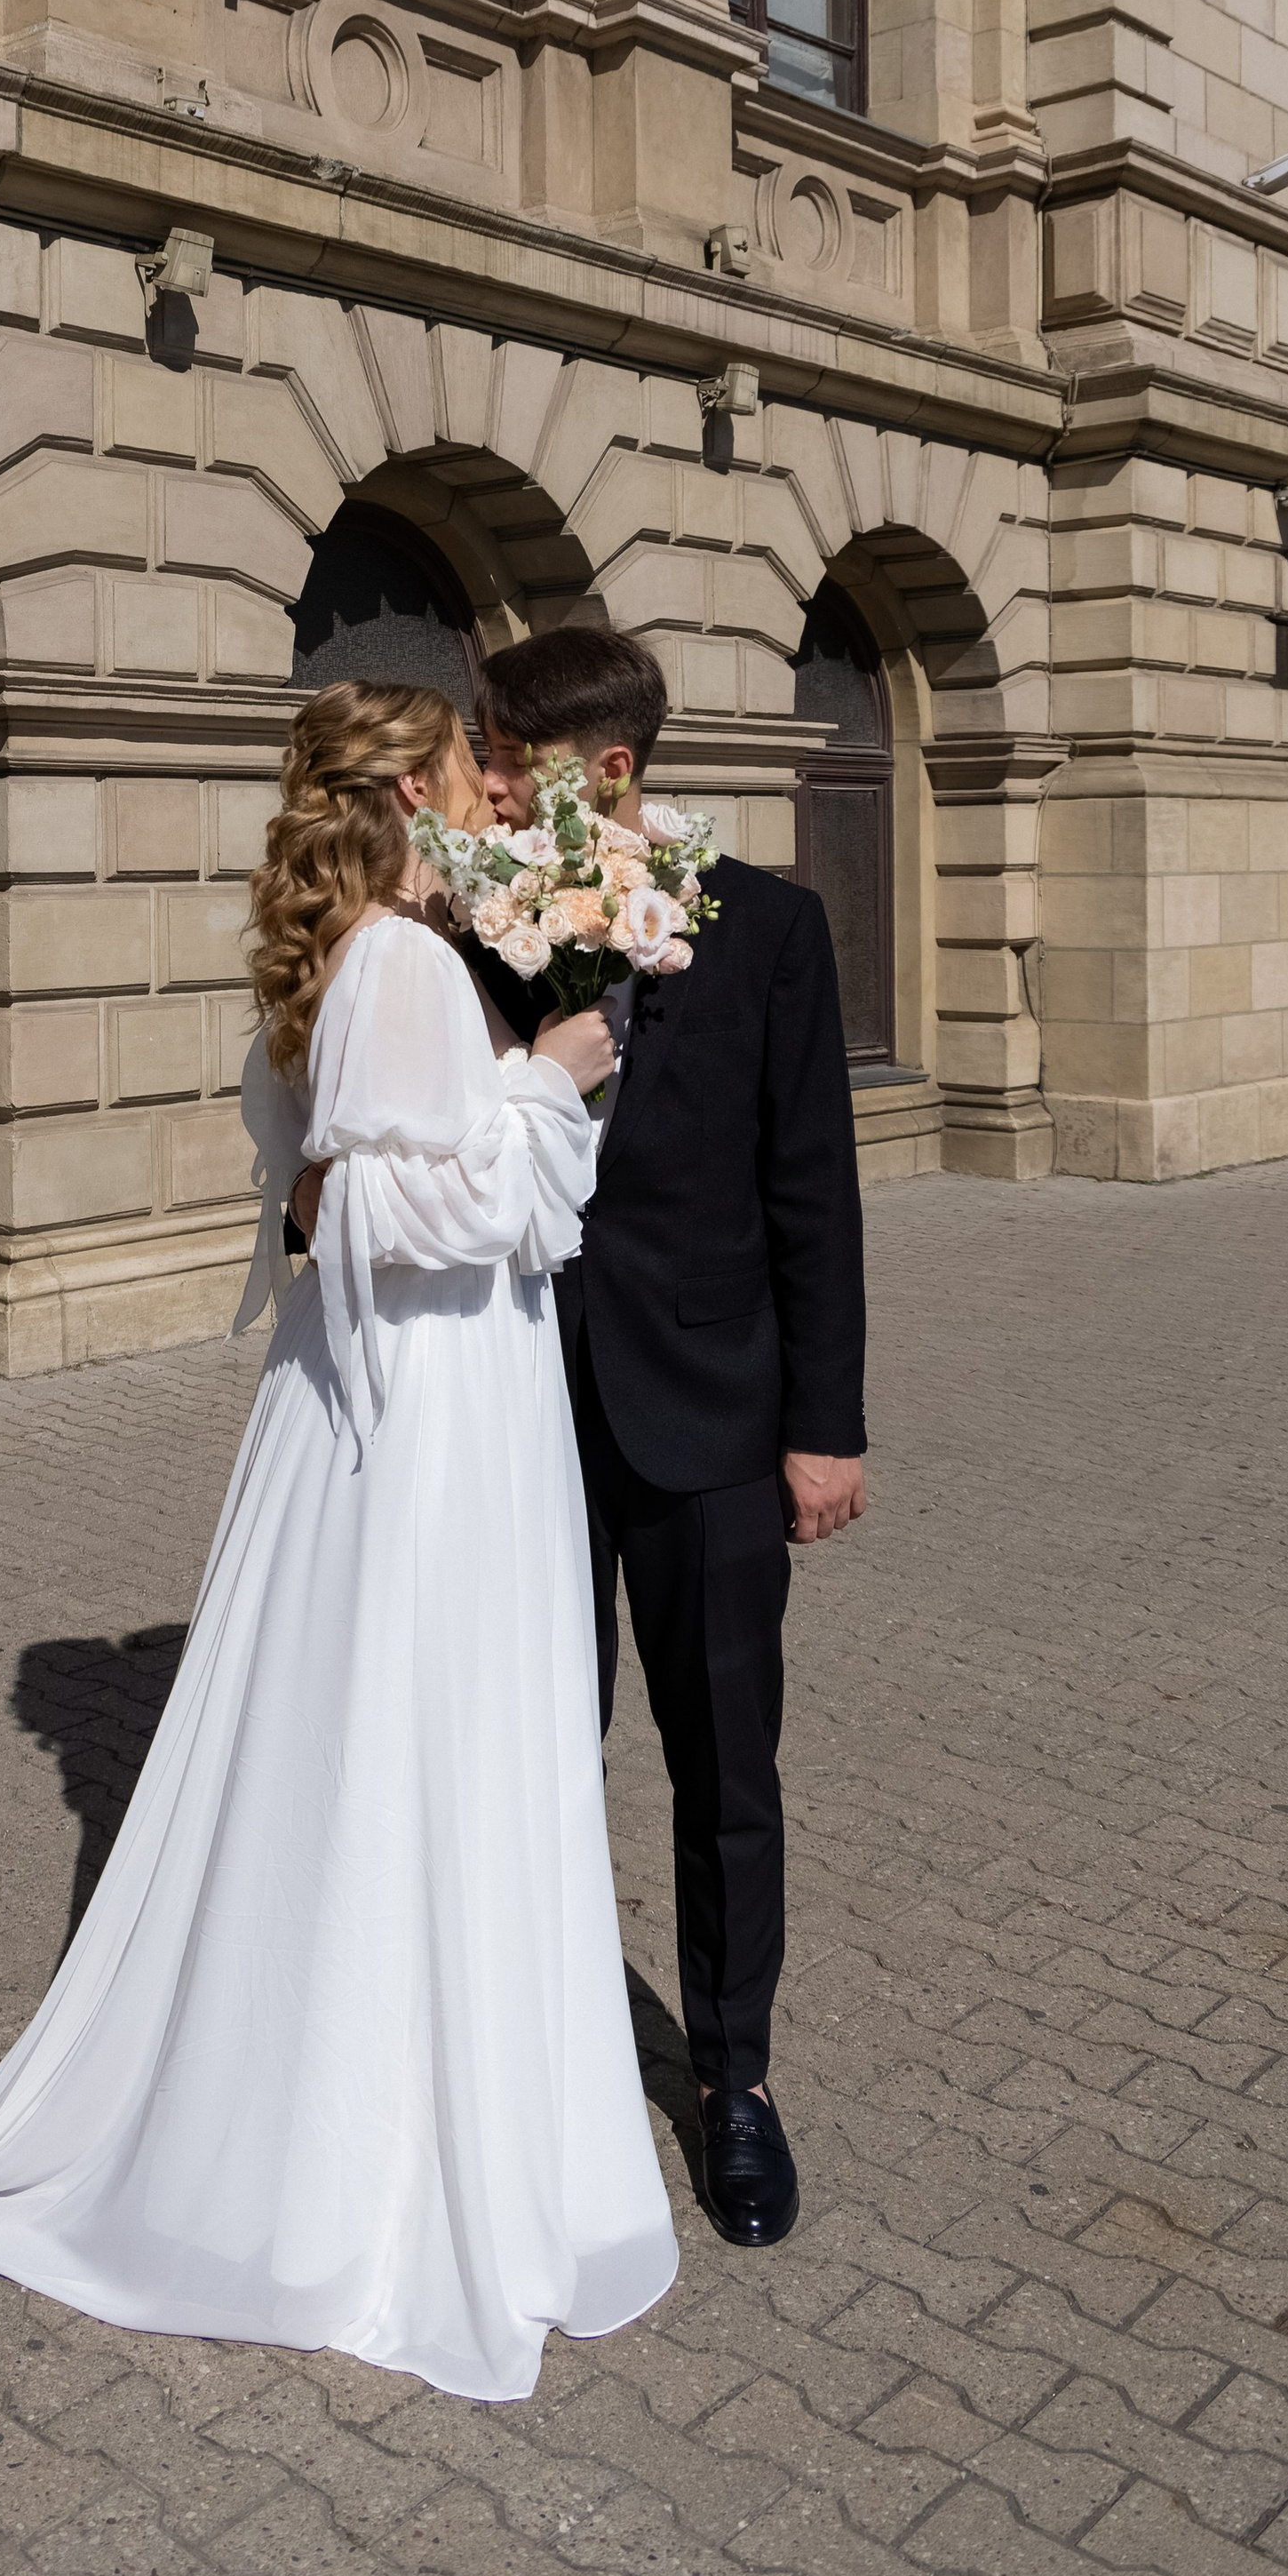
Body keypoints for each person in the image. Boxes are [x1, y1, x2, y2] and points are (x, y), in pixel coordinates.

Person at [0, 680, 680, 2402]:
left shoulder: (335, 957)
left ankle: (342, 2080)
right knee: (422, 1727)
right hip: (428, 1406)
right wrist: (555, 1081)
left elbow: (319, 1183)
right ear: (409, 797)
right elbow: (414, 1209)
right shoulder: (408, 966)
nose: (490, 804)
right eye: (461, 778)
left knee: (363, 1734)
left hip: (361, 1404)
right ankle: (388, 2147)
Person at [465, 623, 868, 2250]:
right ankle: (535, 2062)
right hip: (519, 1414)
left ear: (608, 770)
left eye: (509, 761)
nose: (490, 787)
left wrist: (824, 1428)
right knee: (530, 1747)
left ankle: (734, 2079)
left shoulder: (769, 927)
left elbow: (812, 1190)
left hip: (711, 1418)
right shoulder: (482, 925)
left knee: (724, 1769)